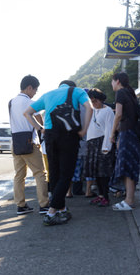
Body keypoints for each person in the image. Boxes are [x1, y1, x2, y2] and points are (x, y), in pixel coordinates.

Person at [24, 80, 92, 226]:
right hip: (69, 136)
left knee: (54, 173)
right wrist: (84, 129)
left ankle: (62, 208)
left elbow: (27, 113)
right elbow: (89, 107)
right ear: (72, 86)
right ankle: (51, 212)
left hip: (50, 136)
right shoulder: (77, 91)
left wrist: (40, 128)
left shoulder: (48, 95)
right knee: (66, 174)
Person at [8, 75, 49, 215]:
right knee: (40, 173)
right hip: (29, 143)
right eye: (35, 90)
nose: (35, 93)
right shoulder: (30, 102)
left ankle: (21, 205)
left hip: (15, 143)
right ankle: (44, 205)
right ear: (29, 87)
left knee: (19, 175)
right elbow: (38, 119)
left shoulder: (11, 102)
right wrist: (42, 129)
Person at [110, 72, 139, 211]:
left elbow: (119, 114)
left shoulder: (121, 93)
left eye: (112, 81)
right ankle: (129, 199)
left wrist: (112, 133)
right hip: (133, 133)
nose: (112, 84)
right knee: (130, 166)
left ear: (118, 81)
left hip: (126, 133)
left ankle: (129, 200)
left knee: (126, 166)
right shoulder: (130, 93)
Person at [85, 88, 115, 207]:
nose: (94, 104)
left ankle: (106, 197)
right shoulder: (91, 110)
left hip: (102, 142)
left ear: (101, 100)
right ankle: (100, 195)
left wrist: (106, 147)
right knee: (95, 172)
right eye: (92, 101)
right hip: (91, 142)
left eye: (95, 101)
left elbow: (109, 129)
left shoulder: (108, 111)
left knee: (104, 172)